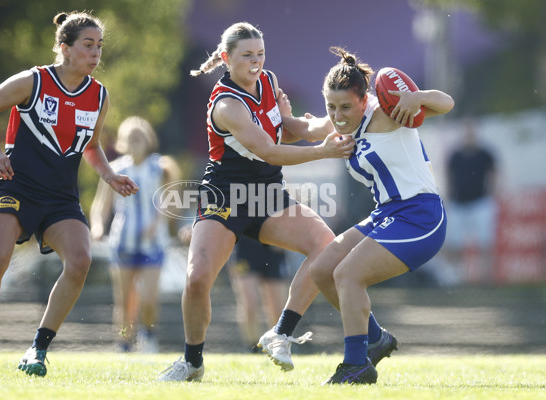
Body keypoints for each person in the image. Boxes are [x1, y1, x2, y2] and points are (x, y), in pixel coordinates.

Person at [157, 21, 358, 382]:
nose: (256, 62)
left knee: (325, 244)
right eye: (247, 55)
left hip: (267, 194)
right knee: (197, 279)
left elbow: (289, 127)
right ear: (225, 58)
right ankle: (192, 362)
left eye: (260, 54)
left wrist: (338, 118)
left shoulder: (269, 81)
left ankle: (280, 332)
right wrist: (324, 151)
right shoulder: (226, 104)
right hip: (225, 196)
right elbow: (268, 150)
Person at [0, 11, 139, 377]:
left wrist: (108, 175)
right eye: (87, 45)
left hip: (59, 197)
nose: (95, 54)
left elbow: (89, 145)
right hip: (16, 185)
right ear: (65, 49)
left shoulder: (99, 95)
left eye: (99, 46)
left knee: (80, 260)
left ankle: (37, 350)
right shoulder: (34, 81)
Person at [281, 47, 454, 384]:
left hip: (420, 215)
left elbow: (446, 102)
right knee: (322, 270)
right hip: (388, 213)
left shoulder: (388, 112)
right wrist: (270, 113)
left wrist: (416, 96)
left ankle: (356, 364)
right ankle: (375, 339)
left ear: (365, 100)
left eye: (346, 107)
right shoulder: (338, 122)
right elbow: (305, 127)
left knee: (347, 274)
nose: (338, 115)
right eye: (331, 106)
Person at [90, 116, 181, 353]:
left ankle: (148, 336)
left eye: (140, 137)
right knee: (124, 301)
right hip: (123, 243)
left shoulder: (160, 168)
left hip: (153, 243)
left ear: (148, 139)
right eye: (131, 138)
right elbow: (101, 204)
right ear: (122, 142)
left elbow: (173, 203)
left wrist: (157, 222)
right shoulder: (116, 169)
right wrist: (98, 227)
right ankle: (124, 343)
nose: (136, 142)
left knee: (149, 298)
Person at [442, 119, 497, 284]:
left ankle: (486, 280)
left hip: (481, 203)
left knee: (485, 243)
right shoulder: (455, 155)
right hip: (458, 204)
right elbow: (449, 178)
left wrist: (492, 195)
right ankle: (457, 280)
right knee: (455, 245)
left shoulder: (485, 154)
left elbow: (494, 175)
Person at [226, 236, 289, 353]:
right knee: (250, 304)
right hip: (244, 248)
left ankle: (278, 348)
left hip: (272, 247)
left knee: (277, 308)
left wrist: (286, 237)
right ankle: (253, 348)